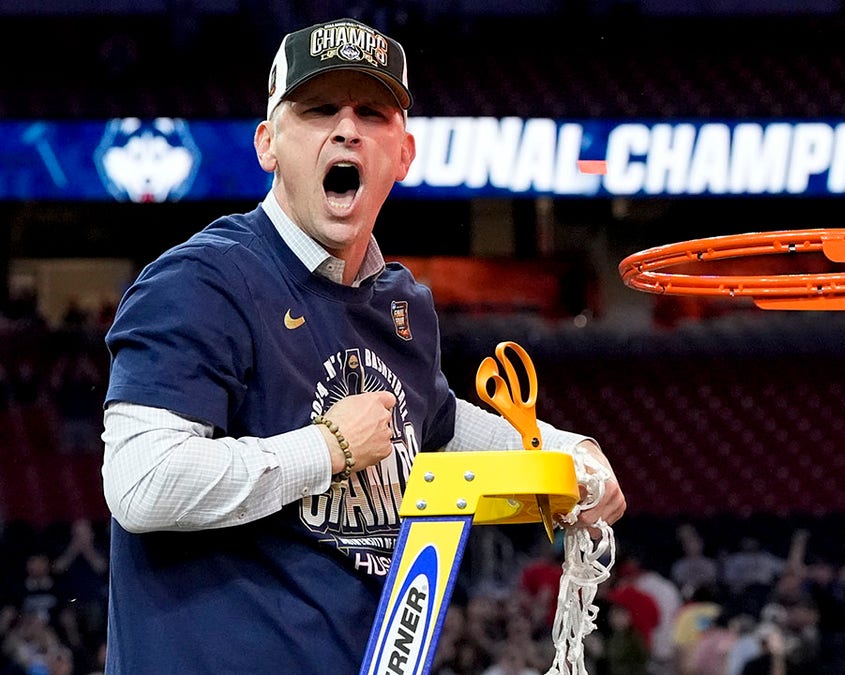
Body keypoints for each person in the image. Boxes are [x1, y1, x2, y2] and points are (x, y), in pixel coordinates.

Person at [99, 17, 625, 674]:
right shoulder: (201, 280)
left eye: (372, 112)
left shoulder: (399, 302)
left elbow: (438, 423)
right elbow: (141, 483)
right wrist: (328, 448)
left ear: (403, 154)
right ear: (268, 145)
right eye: (319, 109)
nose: (347, 128)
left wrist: (562, 448)